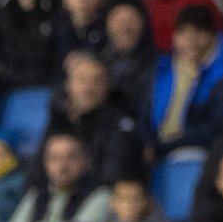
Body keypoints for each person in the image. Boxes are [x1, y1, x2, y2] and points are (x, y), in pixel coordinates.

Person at [44, 53, 146, 189]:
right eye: (82, 80)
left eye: (97, 81)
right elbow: (38, 172)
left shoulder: (121, 127)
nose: (88, 88)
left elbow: (112, 179)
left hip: (96, 199)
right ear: (68, 85)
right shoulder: (59, 121)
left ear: (107, 87)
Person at [2, 133, 111, 222]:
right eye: (54, 158)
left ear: (85, 160)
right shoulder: (37, 193)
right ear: (45, 163)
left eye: (71, 158)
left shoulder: (100, 195)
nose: (62, 166)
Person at [150, 6, 223, 155]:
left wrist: (166, 144)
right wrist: (147, 142)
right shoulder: (161, 68)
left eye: (198, 33)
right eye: (184, 33)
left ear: (212, 36)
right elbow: (145, 113)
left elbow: (216, 127)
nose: (190, 41)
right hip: (157, 149)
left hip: (199, 151)